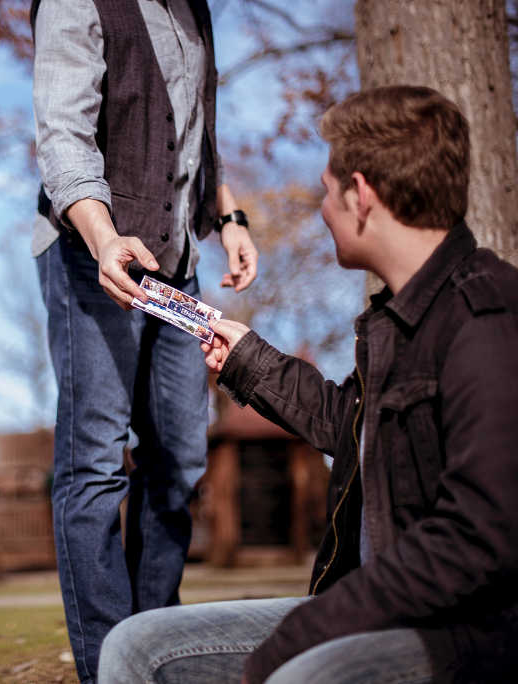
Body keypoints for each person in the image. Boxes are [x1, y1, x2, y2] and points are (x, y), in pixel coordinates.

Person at [98, 85, 518, 684]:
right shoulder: (398, 322)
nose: (323, 208)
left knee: (301, 675)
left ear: (362, 194)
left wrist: (296, 640)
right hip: (376, 611)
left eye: (327, 189)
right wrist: (249, 358)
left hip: (460, 635)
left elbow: (477, 540)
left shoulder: (487, 318)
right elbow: (349, 423)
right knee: (138, 646)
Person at [30, 1, 259, 681]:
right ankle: (111, 668)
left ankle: (154, 646)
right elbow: (63, 138)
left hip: (175, 268)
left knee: (182, 460)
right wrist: (104, 241)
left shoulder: (195, 14)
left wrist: (232, 217)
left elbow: (191, 140)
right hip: (88, 252)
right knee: (97, 461)